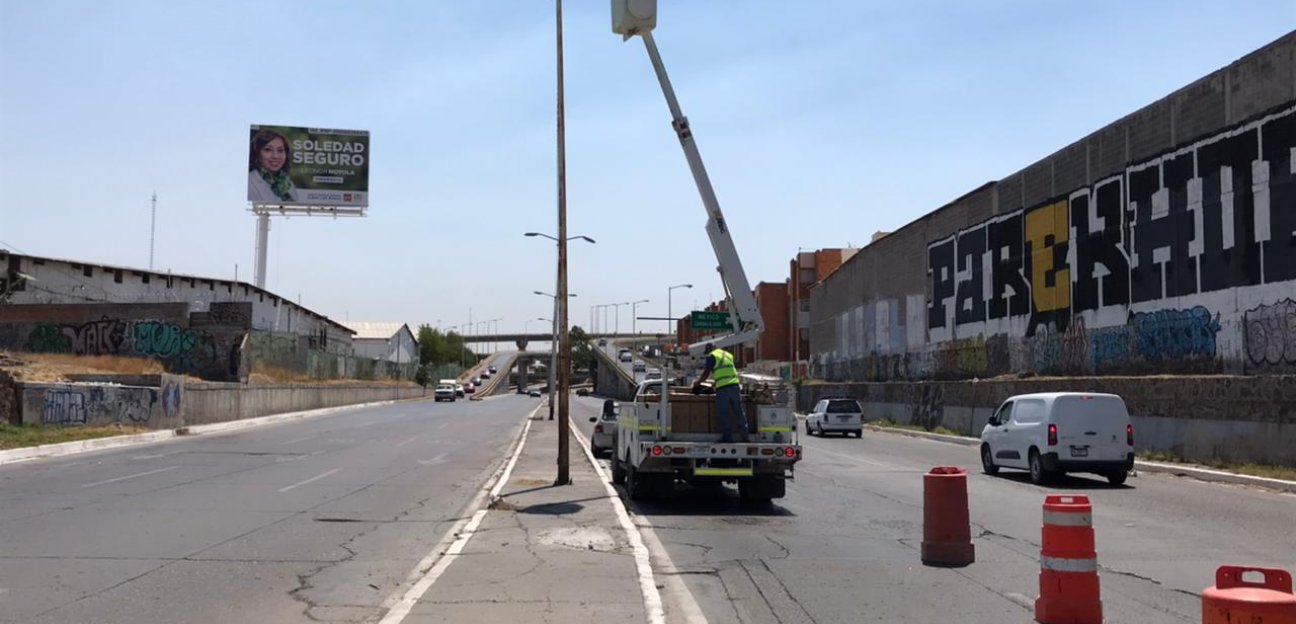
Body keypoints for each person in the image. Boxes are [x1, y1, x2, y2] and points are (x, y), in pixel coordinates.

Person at [692, 342, 749, 443]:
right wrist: (715, 383)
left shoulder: (712, 356)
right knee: (739, 411)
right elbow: (726, 371)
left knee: (724, 413)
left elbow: (706, 373)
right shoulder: (728, 355)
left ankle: (727, 438)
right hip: (734, 386)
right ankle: (745, 436)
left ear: (709, 350)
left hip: (723, 388)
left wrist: (698, 382)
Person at [247, 128, 299, 204]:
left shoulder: (286, 182)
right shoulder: (250, 182)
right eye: (268, 150)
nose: (275, 156)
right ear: (257, 153)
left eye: (280, 150)